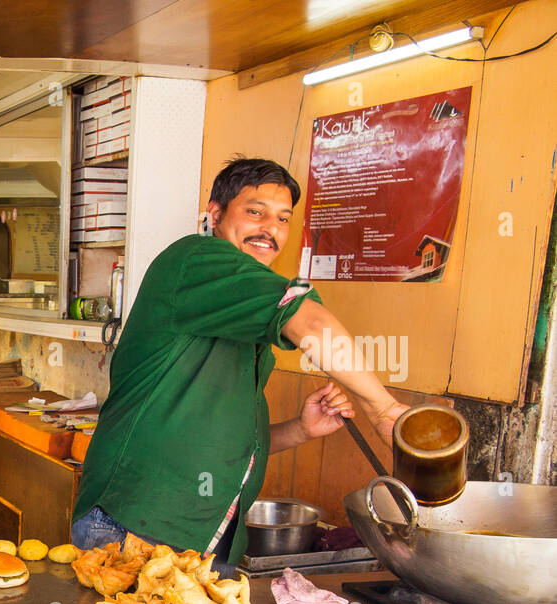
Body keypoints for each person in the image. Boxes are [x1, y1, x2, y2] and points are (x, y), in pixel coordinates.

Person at [73, 157, 410, 561]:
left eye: (284, 219)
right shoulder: (195, 260)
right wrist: (384, 410)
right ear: (215, 214)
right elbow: (312, 324)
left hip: (205, 536)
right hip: (136, 526)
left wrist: (300, 431)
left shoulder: (241, 306)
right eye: (256, 212)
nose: (271, 230)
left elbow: (224, 437)